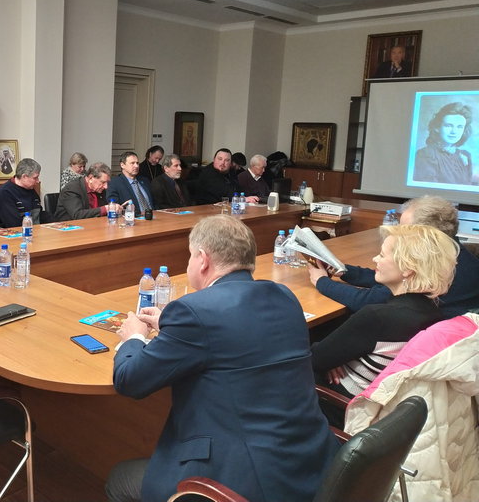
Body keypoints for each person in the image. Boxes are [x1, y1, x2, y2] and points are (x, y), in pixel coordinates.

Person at [106, 215, 340, 502]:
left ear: (203, 260)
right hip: (308, 463)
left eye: (190, 256)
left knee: (119, 479)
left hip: (240, 481)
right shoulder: (283, 296)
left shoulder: (193, 311)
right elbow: (234, 330)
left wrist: (134, 337)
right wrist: (171, 323)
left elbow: (129, 381)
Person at [311, 224, 457, 407]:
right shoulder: (434, 312)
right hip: (382, 404)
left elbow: (314, 360)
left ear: (407, 269)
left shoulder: (377, 317)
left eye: (381, 255)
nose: (375, 259)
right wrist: (335, 355)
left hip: (342, 404)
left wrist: (330, 356)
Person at [309, 195, 479, 318]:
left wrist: (322, 282)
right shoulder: (456, 254)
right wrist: (344, 271)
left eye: (404, 230)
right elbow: (392, 278)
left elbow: (369, 300)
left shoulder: (437, 268)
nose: (398, 234)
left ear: (425, 234)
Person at [413, 102, 474, 185]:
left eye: (460, 127)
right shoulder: (425, 154)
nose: (454, 131)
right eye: (448, 126)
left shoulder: (465, 156)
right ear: (437, 128)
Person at [54, 162, 121, 221]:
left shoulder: (100, 190)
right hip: (70, 227)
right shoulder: (72, 189)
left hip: (94, 225)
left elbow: (101, 212)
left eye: (107, 183)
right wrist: (105, 209)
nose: (106, 186)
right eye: (103, 182)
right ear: (91, 178)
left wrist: (113, 209)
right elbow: (77, 215)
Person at [0, 158, 43, 228]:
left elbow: (39, 215)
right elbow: (13, 224)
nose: (38, 181)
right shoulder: (5, 193)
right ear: (24, 177)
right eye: (35, 178)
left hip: (34, 230)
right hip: (15, 232)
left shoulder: (30, 189)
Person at [107, 152, 153, 217]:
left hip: (153, 217)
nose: (136, 166)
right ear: (122, 165)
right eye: (132, 163)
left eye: (137, 163)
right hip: (132, 219)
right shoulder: (114, 183)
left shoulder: (145, 181)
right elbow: (114, 207)